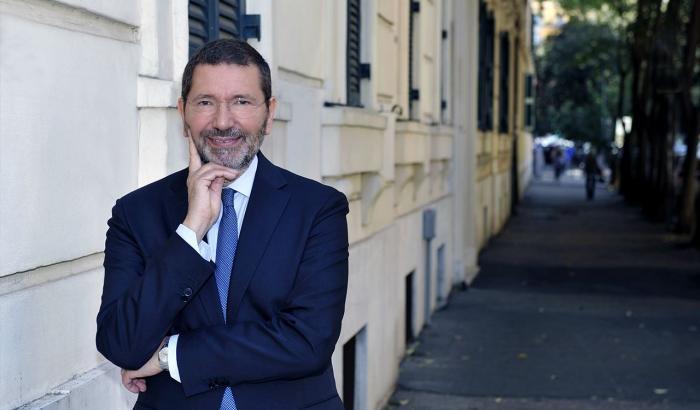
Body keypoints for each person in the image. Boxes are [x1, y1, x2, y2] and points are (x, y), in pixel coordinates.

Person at [96, 39, 349, 410]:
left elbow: (308, 341)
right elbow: (121, 343)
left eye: (241, 102)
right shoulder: (136, 213)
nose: (223, 121)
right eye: (205, 102)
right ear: (183, 113)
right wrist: (190, 231)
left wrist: (170, 355)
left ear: (269, 114)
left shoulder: (317, 209)